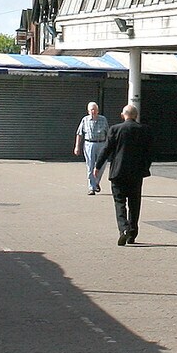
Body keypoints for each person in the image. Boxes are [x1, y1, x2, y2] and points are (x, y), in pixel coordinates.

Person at [101, 102, 153, 246]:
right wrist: (145, 167)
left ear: (123, 115)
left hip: (118, 172)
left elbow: (106, 149)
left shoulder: (115, 129)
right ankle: (132, 233)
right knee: (134, 203)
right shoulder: (145, 130)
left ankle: (123, 229)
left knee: (120, 202)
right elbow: (149, 153)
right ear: (136, 116)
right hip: (136, 173)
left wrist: (97, 166)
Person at [74, 101, 110, 195]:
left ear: (98, 110)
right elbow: (79, 133)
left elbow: (108, 133)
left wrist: (109, 146)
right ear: (88, 111)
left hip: (101, 144)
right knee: (90, 166)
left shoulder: (103, 119)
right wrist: (77, 146)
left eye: (95, 109)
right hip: (89, 144)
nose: (93, 111)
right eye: (91, 110)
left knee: (101, 165)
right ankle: (91, 187)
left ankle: (96, 182)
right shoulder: (85, 120)